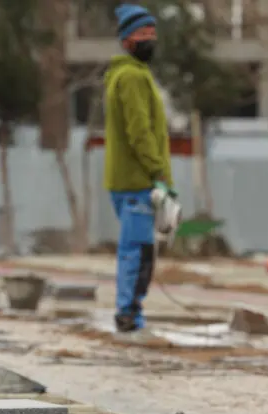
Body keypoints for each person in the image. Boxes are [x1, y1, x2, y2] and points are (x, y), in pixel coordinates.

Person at [103, 4, 173, 333]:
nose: (150, 40)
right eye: (143, 34)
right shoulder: (130, 76)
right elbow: (139, 131)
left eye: (153, 34)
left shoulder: (135, 74)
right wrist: (157, 170)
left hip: (136, 180)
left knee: (142, 250)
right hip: (136, 181)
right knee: (137, 251)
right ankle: (127, 313)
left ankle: (133, 311)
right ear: (126, 40)